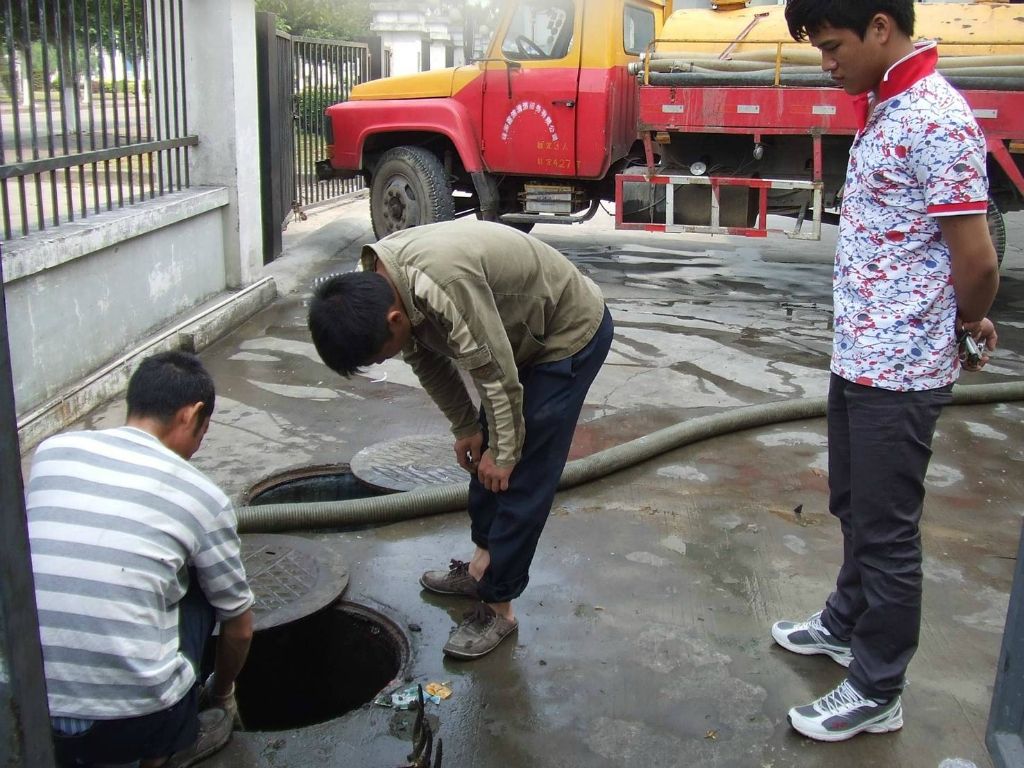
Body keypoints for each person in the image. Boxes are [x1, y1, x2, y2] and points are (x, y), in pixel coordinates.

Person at [772, 0, 1000, 743]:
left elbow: (978, 258)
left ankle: (877, 687)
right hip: (863, 354)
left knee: (887, 533)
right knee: (854, 508)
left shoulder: (934, 114)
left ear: (880, 26)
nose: (826, 63)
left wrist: (965, 324)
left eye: (833, 46)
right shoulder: (888, 104)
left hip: (900, 369)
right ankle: (846, 622)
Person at [308, 219, 613, 660]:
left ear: (394, 320)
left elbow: (494, 373)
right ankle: (480, 568)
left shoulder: (442, 283)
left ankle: (498, 607)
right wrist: (467, 428)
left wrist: (505, 454)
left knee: (521, 476)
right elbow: (429, 361)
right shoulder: (383, 285)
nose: (387, 358)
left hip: (566, 336)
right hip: (513, 339)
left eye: (380, 355)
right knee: (484, 460)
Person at [27, 351, 255, 767]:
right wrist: (221, 695)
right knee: (207, 589)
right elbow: (239, 627)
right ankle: (163, 754)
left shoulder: (51, 453)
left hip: (26, 712)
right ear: (193, 415)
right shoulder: (201, 495)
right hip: (134, 727)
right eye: (204, 429)